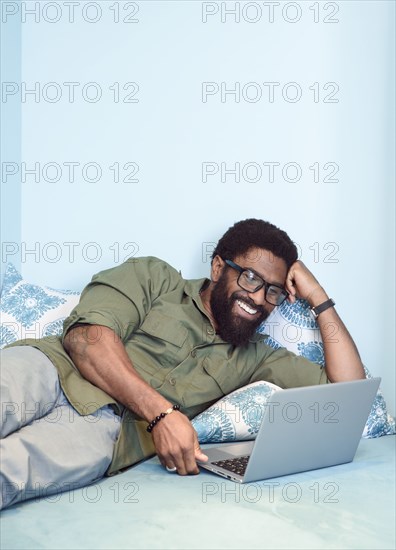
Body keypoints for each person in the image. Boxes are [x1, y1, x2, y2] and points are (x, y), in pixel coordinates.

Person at [0, 219, 365, 508]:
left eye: (272, 291)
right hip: (49, 367)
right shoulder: (155, 278)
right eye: (250, 277)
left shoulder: (256, 356)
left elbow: (348, 394)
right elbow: (85, 340)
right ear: (219, 267)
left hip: (107, 432)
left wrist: (318, 297)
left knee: (9, 473)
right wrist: (162, 414)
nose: (258, 298)